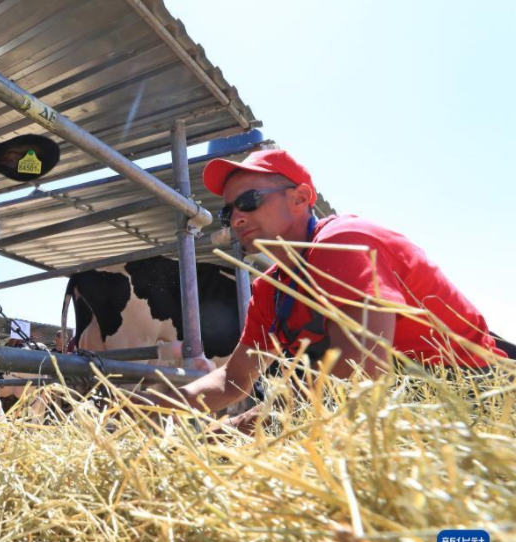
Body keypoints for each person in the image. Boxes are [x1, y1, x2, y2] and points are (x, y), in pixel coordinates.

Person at [158, 149, 508, 423]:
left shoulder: (344, 242)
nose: (236, 218)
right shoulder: (270, 290)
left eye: (249, 201)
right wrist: (150, 406)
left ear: (300, 197)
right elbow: (232, 380)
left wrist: (249, 426)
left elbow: (360, 370)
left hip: (462, 398)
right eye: (227, 212)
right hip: (381, 406)